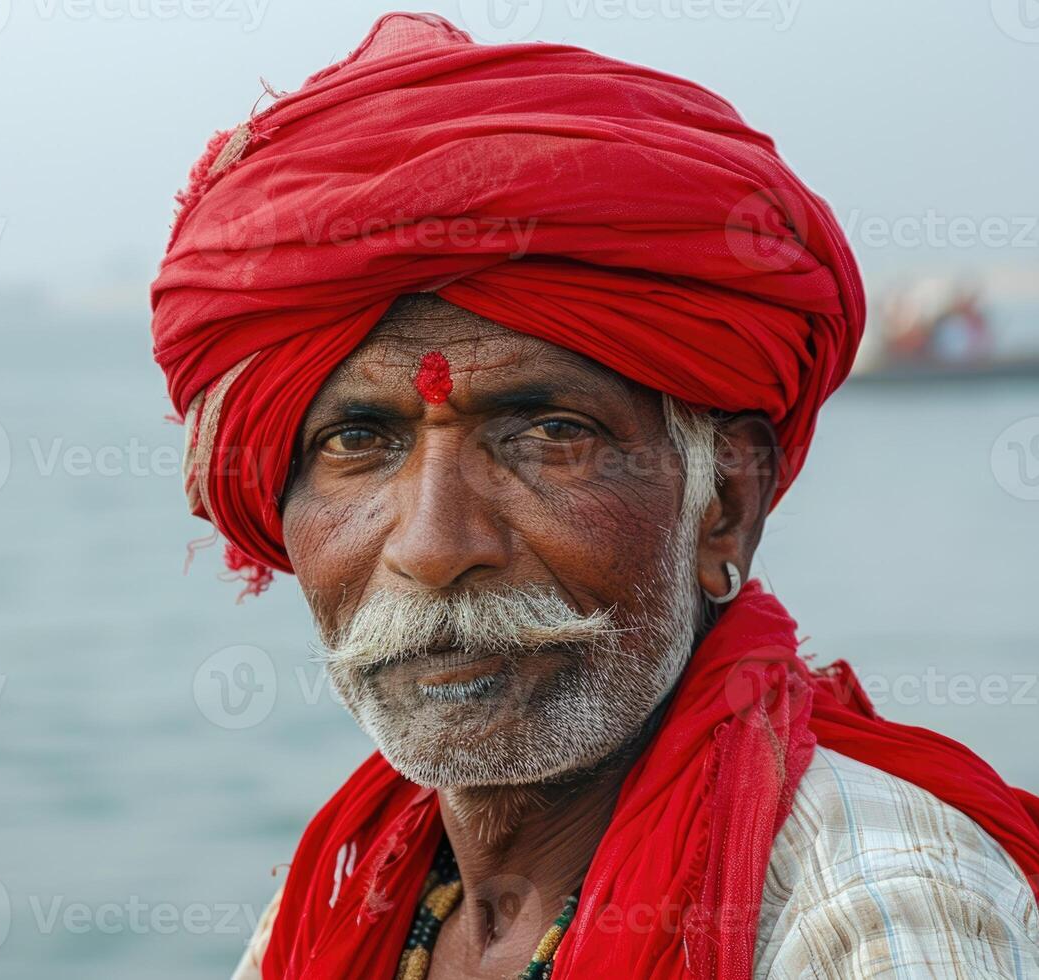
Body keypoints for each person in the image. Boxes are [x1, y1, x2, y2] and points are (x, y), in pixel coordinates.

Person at [150, 14, 1039, 979]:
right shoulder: (344, 890)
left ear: (726, 503)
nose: (437, 546)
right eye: (358, 442)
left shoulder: (870, 915)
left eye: (548, 435)